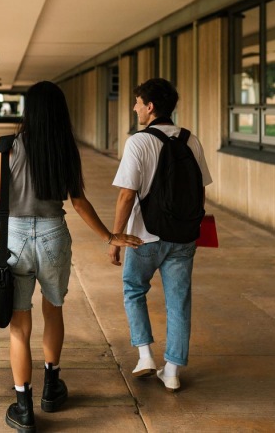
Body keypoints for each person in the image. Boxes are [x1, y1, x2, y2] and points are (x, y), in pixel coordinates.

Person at [0, 81, 142, 431]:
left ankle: (24, 406)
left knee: (19, 323)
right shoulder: (65, 148)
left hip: (14, 239)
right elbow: (78, 201)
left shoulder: (7, 145)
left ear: (29, 111)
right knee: (53, 308)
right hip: (54, 235)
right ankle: (52, 388)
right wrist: (109, 236)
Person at [108, 78, 212, 392]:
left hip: (143, 237)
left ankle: (144, 356)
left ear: (150, 107)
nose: (135, 108)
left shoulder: (138, 142)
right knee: (178, 302)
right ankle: (173, 370)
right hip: (183, 237)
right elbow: (200, 191)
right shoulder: (191, 140)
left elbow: (127, 195)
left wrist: (116, 237)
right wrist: (193, 230)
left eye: (138, 102)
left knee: (134, 290)